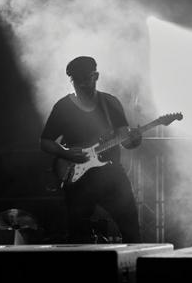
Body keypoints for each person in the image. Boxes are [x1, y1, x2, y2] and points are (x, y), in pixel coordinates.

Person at [40, 56, 142, 243]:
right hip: (79, 180)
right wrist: (66, 153)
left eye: (86, 79)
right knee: (79, 237)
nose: (82, 85)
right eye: (77, 80)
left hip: (112, 176)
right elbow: (45, 142)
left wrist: (134, 140)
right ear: (71, 80)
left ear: (96, 76)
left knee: (131, 230)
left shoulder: (110, 103)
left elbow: (125, 140)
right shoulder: (63, 107)